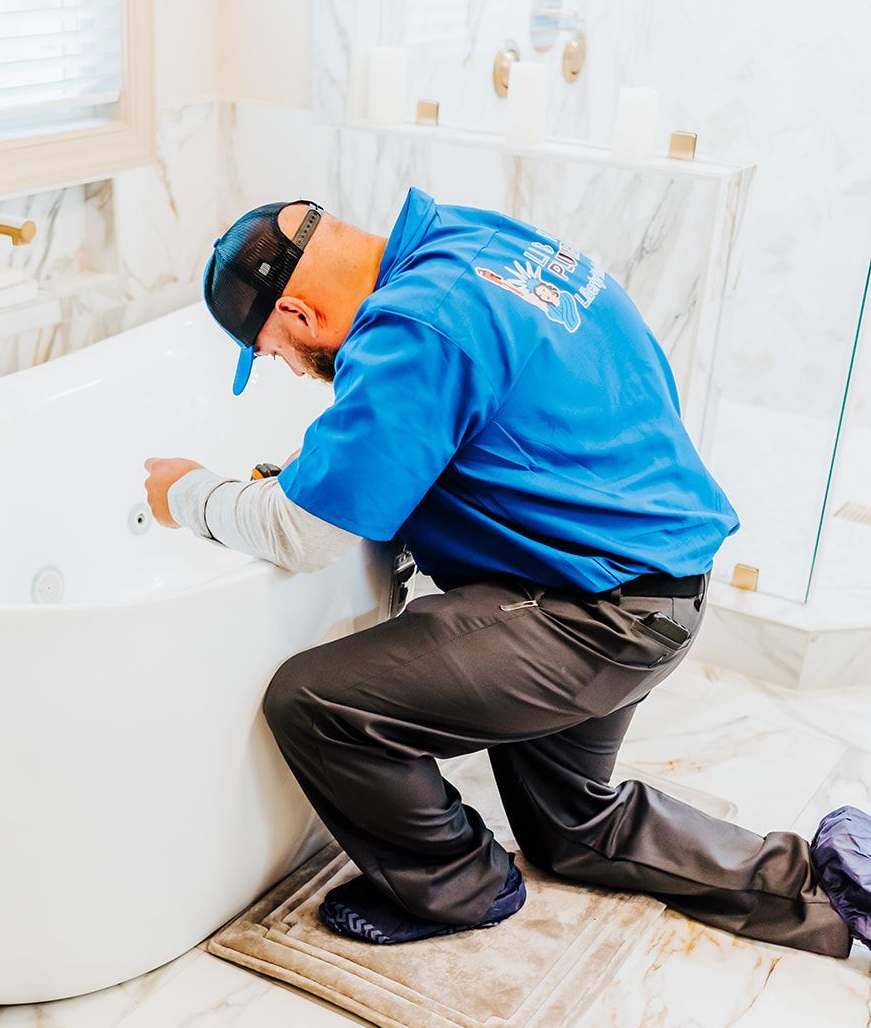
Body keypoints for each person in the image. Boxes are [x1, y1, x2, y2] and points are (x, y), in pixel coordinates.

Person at [143, 190, 869, 956]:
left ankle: (459, 885)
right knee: (570, 830)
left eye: (270, 352)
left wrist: (186, 492)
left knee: (315, 701)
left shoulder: (413, 331)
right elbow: (477, 414)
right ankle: (829, 887)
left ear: (296, 313)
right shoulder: (474, 244)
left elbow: (305, 535)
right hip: (658, 576)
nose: (287, 369)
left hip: (598, 613)